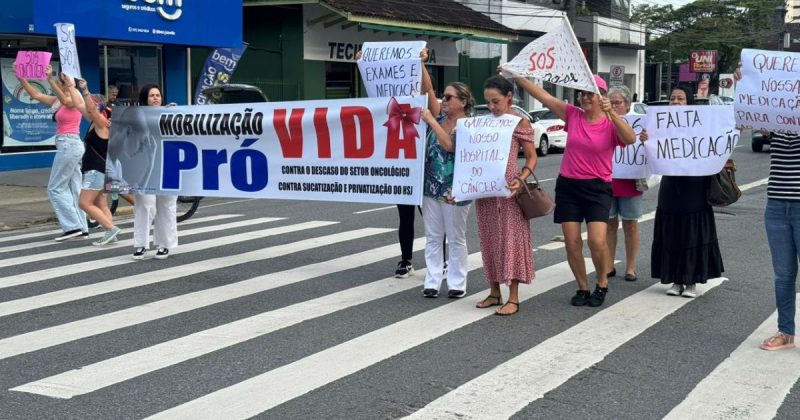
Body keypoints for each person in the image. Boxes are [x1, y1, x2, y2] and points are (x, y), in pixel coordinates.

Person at [511, 74, 636, 307]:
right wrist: (518, 76)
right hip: (569, 186)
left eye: (591, 93)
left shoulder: (611, 122)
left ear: (602, 97)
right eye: (582, 93)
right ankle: (582, 287)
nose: (585, 98)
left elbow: (629, 139)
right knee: (572, 241)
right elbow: (544, 96)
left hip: (598, 187)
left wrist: (613, 114)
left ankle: (601, 283)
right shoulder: (573, 115)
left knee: (597, 241)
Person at [647, 85, 724, 298]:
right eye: (672, 98)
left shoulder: (701, 125)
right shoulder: (659, 125)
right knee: (671, 230)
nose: (676, 102)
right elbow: (651, 152)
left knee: (693, 231)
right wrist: (646, 139)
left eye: (681, 98)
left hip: (695, 184)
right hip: (671, 185)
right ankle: (675, 278)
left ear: (689, 102)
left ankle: (691, 280)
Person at [472, 76, 538, 316]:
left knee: (510, 240)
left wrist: (521, 178)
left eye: (496, 101)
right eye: (488, 102)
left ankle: (514, 297)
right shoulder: (482, 123)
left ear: (509, 97)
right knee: (488, 238)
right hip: (485, 189)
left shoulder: (519, 122)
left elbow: (531, 157)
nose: (491, 107)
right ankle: (493, 291)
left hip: (510, 187)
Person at [14, 64, 88, 241]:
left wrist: (50, 79)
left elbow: (67, 101)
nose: (62, 83)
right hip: (69, 145)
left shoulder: (75, 97)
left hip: (69, 144)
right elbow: (35, 94)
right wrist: (21, 78)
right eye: (61, 81)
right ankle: (82, 227)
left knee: (55, 187)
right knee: (75, 187)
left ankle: (72, 227)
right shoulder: (58, 100)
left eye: (64, 80)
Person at [419, 82, 475, 298]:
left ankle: (457, 283)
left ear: (463, 102)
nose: (444, 100)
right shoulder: (439, 120)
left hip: (455, 190)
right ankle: (432, 281)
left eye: (450, 97)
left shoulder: (468, 125)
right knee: (433, 236)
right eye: (444, 96)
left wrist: (431, 121)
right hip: (431, 187)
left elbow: (449, 146)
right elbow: (428, 88)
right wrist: (421, 61)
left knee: (455, 237)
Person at [131, 84, 178, 260]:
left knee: (166, 206)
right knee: (144, 205)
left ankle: (164, 245)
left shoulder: (171, 113)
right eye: (151, 95)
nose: (155, 98)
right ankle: (140, 245)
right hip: (144, 168)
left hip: (168, 166)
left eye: (158, 95)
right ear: (145, 98)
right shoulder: (135, 117)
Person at [71, 81, 121, 246]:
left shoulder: (102, 124)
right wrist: (70, 87)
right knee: (101, 203)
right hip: (101, 169)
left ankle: (110, 228)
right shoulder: (96, 123)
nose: (87, 105)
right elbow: (79, 104)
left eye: (91, 102)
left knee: (84, 203)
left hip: (96, 170)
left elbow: (90, 108)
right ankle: (111, 233)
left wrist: (84, 90)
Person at [606, 85, 643, 282]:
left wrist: (646, 140)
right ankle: (608, 264)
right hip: (606, 180)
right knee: (609, 224)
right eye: (610, 103)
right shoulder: (602, 121)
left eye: (617, 103)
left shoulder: (637, 124)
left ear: (627, 105)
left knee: (630, 224)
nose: (613, 107)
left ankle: (630, 266)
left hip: (630, 179)